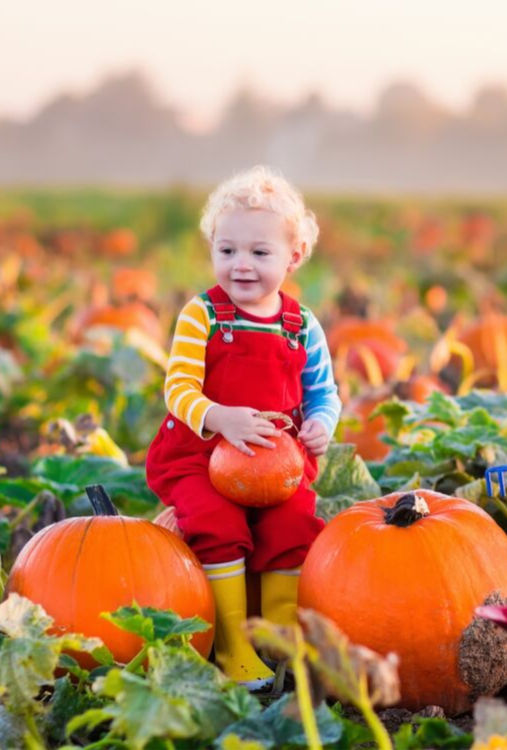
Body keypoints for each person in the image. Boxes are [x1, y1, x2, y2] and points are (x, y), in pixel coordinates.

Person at [146, 166, 341, 689]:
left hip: (276, 464)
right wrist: (218, 416)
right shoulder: (202, 314)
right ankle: (232, 645)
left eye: (260, 253)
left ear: (293, 256)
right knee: (217, 522)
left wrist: (322, 423)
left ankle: (278, 639)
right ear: (213, 248)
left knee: (294, 523)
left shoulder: (302, 325)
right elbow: (178, 388)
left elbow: (324, 392)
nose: (242, 265)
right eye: (227, 250)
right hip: (199, 456)